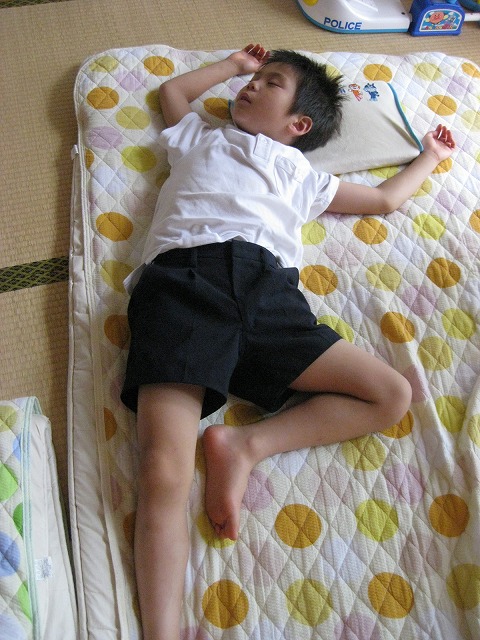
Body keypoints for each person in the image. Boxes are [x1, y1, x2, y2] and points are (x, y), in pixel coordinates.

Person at [120, 44, 456, 640]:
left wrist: (429, 156)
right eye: (256, 80)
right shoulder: (203, 137)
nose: (251, 88)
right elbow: (172, 93)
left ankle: (246, 445)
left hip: (270, 296)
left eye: (270, 83)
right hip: (184, 284)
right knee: (162, 470)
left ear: (299, 124)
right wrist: (233, 67)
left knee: (391, 394)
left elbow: (384, 199)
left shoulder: (304, 176)